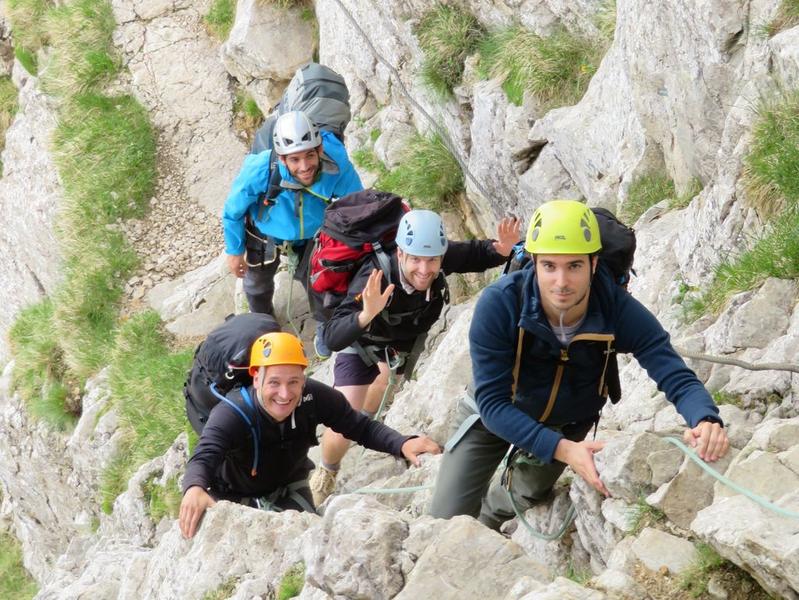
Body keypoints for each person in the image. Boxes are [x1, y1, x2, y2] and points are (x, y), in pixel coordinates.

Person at [428, 199, 730, 530]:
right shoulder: (500, 304)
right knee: (446, 520)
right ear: (534, 262)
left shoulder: (616, 308)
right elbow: (492, 403)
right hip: (493, 415)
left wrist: (704, 417)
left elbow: (670, 369)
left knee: (521, 497)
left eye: (574, 266)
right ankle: (470, 521)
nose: (561, 282)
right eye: (549, 267)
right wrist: (564, 451)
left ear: (594, 264)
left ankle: (486, 525)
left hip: (566, 421)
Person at [308, 209, 521, 506]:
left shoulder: (438, 257)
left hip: (396, 347)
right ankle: (327, 471)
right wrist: (366, 314)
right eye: (416, 260)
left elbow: (472, 255)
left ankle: (367, 425)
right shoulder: (375, 276)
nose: (424, 269)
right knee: (343, 420)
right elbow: (332, 336)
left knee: (381, 386)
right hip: (358, 343)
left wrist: (500, 249)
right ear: (400, 253)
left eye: (432, 259)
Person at [179, 331, 440, 539]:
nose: (285, 394)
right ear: (256, 378)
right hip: (234, 495)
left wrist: (402, 443)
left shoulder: (312, 396)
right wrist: (194, 488)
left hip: (289, 485)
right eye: (274, 382)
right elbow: (205, 455)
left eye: (294, 381)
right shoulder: (233, 412)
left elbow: (359, 427)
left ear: (303, 378)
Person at [221, 111, 363, 358]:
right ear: (282, 158)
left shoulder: (336, 165)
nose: (305, 166)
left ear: (320, 149)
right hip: (265, 232)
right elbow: (233, 211)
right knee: (256, 285)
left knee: (320, 281)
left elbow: (357, 206)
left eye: (310, 155)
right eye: (294, 159)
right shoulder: (260, 170)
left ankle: (325, 325)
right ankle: (263, 325)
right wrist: (234, 251)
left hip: (313, 233)